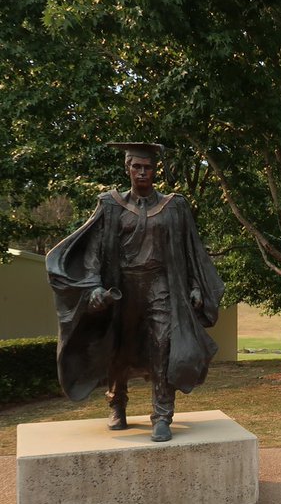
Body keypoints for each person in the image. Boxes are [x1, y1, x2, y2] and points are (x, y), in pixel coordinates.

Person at [46, 142, 224, 443]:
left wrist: (195, 285)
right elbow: (93, 252)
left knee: (163, 345)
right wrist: (94, 286)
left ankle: (162, 415)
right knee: (118, 346)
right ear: (127, 168)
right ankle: (117, 404)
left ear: (155, 170)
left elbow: (190, 249)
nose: (142, 172)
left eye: (148, 167)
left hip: (161, 285)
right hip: (122, 286)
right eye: (136, 166)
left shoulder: (174, 206)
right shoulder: (111, 205)